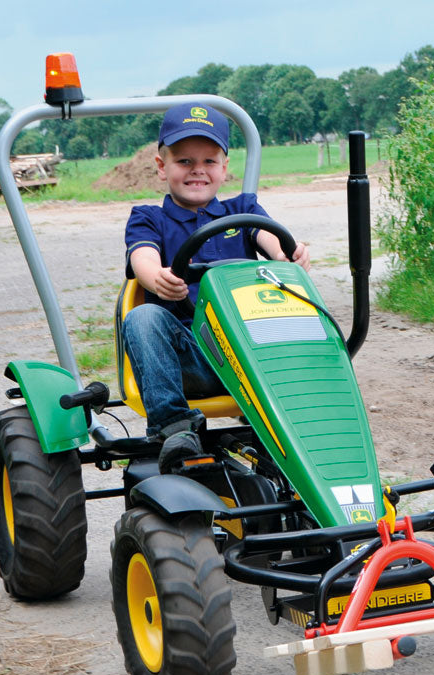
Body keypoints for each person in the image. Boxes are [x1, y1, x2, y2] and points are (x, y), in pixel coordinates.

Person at [123, 103, 310, 472]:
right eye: (185, 162)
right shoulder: (148, 217)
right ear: (162, 167)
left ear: (225, 168)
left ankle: (300, 424)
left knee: (299, 313)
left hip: (249, 352)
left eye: (209, 161)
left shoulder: (242, 209)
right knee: (144, 317)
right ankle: (173, 428)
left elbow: (269, 237)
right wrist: (155, 276)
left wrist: (286, 255)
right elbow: (141, 256)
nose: (198, 171)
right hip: (189, 356)